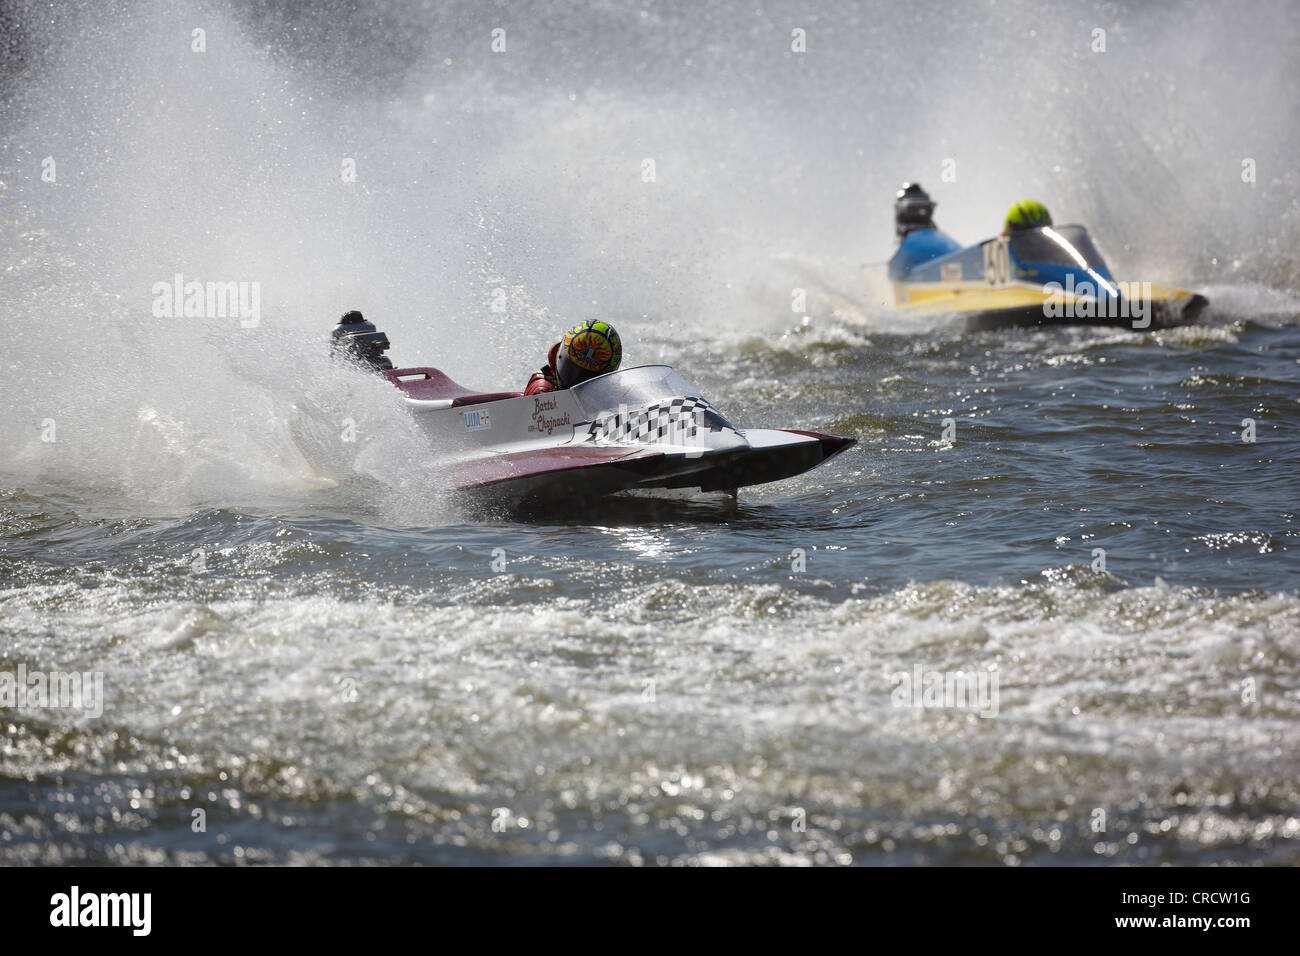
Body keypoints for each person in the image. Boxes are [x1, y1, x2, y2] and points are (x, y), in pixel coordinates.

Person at [524, 319, 622, 395]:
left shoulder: (614, 390)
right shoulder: (541, 387)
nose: (576, 383)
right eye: (570, 370)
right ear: (560, 356)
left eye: (587, 378)